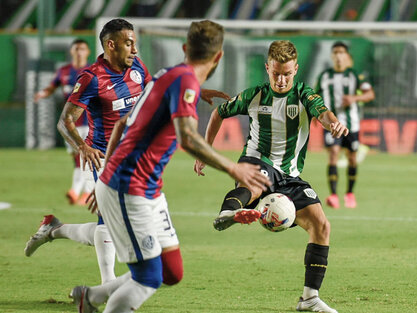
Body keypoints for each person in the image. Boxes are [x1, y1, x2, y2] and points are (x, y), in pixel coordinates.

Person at [69, 20, 271, 313]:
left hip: (147, 189)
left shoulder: (171, 75)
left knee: (171, 271)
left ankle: (91, 297)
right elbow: (188, 137)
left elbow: (124, 122)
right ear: (219, 57)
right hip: (128, 187)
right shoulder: (183, 81)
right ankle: (93, 303)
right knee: (149, 278)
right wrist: (234, 169)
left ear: (185, 48)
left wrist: (103, 178)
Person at [24, 18, 230, 285]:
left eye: (135, 43)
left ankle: (55, 230)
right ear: (111, 45)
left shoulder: (137, 69)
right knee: (108, 224)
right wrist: (83, 147)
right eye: (129, 43)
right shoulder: (91, 78)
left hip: (135, 159)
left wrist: (193, 90)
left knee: (111, 226)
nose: (134, 49)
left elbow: (156, 92)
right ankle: (106, 285)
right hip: (103, 156)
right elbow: (65, 122)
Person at [194, 40, 348, 313]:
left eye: (286, 74)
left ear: (296, 70)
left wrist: (333, 123)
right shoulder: (253, 96)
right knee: (255, 181)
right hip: (257, 161)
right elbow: (219, 112)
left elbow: (322, 113)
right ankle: (228, 212)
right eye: (275, 73)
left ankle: (310, 298)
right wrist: (205, 151)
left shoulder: (303, 95)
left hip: (290, 175)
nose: (280, 79)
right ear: (267, 68)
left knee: (321, 226)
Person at [315, 41, 375, 209]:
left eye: (341, 52)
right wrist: (315, 114)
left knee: (352, 158)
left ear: (347, 56)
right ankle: (333, 195)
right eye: (335, 52)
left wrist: (354, 98)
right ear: (332, 56)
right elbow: (314, 96)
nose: (338, 55)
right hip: (331, 125)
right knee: (333, 153)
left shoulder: (355, 76)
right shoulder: (324, 76)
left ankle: (349, 193)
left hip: (352, 125)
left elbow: (369, 94)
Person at [34, 38, 92, 205]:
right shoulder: (64, 71)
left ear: (87, 52)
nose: (79, 51)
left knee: (85, 156)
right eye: (76, 48)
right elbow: (53, 86)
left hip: (90, 122)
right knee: (77, 157)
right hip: (70, 122)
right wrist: (43, 93)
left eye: (82, 48)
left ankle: (79, 191)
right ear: (71, 51)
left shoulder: (93, 70)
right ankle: (81, 192)